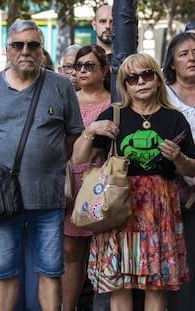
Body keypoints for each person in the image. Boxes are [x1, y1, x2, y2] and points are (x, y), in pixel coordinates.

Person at [0, 20, 84, 311]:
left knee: (50, 269)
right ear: (7, 50)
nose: (25, 51)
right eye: (18, 45)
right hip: (2, 198)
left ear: (42, 49)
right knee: (4, 269)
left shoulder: (60, 85)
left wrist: (48, 158)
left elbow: (73, 133)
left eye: (33, 45)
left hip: (47, 196)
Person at [72, 52, 195, 311]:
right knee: (120, 282)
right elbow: (78, 159)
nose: (140, 81)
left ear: (158, 79)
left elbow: (192, 169)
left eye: (146, 74)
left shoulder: (174, 118)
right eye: (132, 78)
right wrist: (90, 130)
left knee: (156, 283)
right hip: (119, 202)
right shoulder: (115, 114)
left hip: (159, 205)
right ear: (124, 84)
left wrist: (179, 158)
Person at [62, 44, 111, 311]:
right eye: (77, 66)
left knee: (103, 252)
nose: (81, 71)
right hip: (71, 183)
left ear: (104, 70)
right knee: (71, 254)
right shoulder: (67, 98)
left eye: (89, 65)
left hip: (101, 184)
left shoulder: (113, 102)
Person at [163, 31, 195, 311]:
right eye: (184, 53)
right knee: (179, 264)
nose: (192, 58)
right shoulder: (164, 95)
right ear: (172, 62)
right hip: (176, 192)